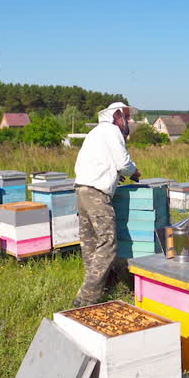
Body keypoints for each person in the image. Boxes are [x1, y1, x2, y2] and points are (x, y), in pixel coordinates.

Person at [71, 101, 140, 308]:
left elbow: (94, 163)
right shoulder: (112, 131)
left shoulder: (95, 133)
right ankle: (85, 298)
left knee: (90, 244)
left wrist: (112, 174)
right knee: (108, 243)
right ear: (117, 116)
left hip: (81, 190)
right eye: (126, 117)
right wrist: (133, 172)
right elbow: (123, 161)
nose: (128, 121)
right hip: (96, 195)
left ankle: (104, 286)